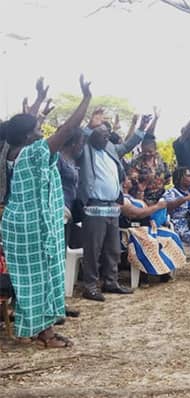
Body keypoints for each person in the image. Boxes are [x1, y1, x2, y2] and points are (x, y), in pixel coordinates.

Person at [2, 75, 91, 346]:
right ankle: (46, 334)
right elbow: (65, 130)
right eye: (37, 128)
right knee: (41, 278)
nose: (42, 130)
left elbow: (23, 123)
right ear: (29, 135)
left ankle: (41, 329)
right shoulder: (33, 153)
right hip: (34, 228)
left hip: (19, 224)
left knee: (32, 279)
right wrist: (86, 98)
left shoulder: (12, 149)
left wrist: (38, 99)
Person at [77, 110, 150, 301]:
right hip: (94, 205)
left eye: (107, 135)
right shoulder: (84, 148)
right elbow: (77, 140)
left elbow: (126, 146)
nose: (106, 137)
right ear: (93, 134)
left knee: (113, 247)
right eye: (102, 134)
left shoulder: (108, 147)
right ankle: (90, 286)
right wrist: (89, 126)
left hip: (112, 205)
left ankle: (110, 282)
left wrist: (142, 128)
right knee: (93, 248)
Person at [121, 177, 185, 278]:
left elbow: (143, 208)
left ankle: (164, 269)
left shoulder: (130, 196)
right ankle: (145, 274)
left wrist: (150, 219)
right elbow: (135, 213)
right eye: (128, 179)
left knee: (171, 236)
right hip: (133, 229)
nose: (131, 181)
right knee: (150, 241)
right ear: (123, 184)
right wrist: (157, 207)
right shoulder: (122, 199)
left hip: (145, 226)